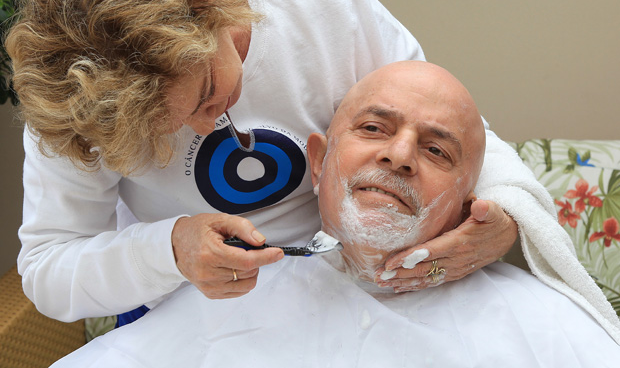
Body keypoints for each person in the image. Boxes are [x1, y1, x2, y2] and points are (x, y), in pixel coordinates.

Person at [3, 0, 566, 324]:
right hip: (196, 313)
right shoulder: (74, 102)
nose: (206, 125)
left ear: (207, 3)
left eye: (204, 94)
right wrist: (168, 249)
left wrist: (510, 222)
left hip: (366, 286)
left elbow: (449, 127)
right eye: (163, 128)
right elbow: (50, 271)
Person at [50, 61, 620, 367]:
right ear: (317, 163)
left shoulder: (545, 330)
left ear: (471, 197)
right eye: (373, 129)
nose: (398, 155)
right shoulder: (223, 305)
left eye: (436, 150)